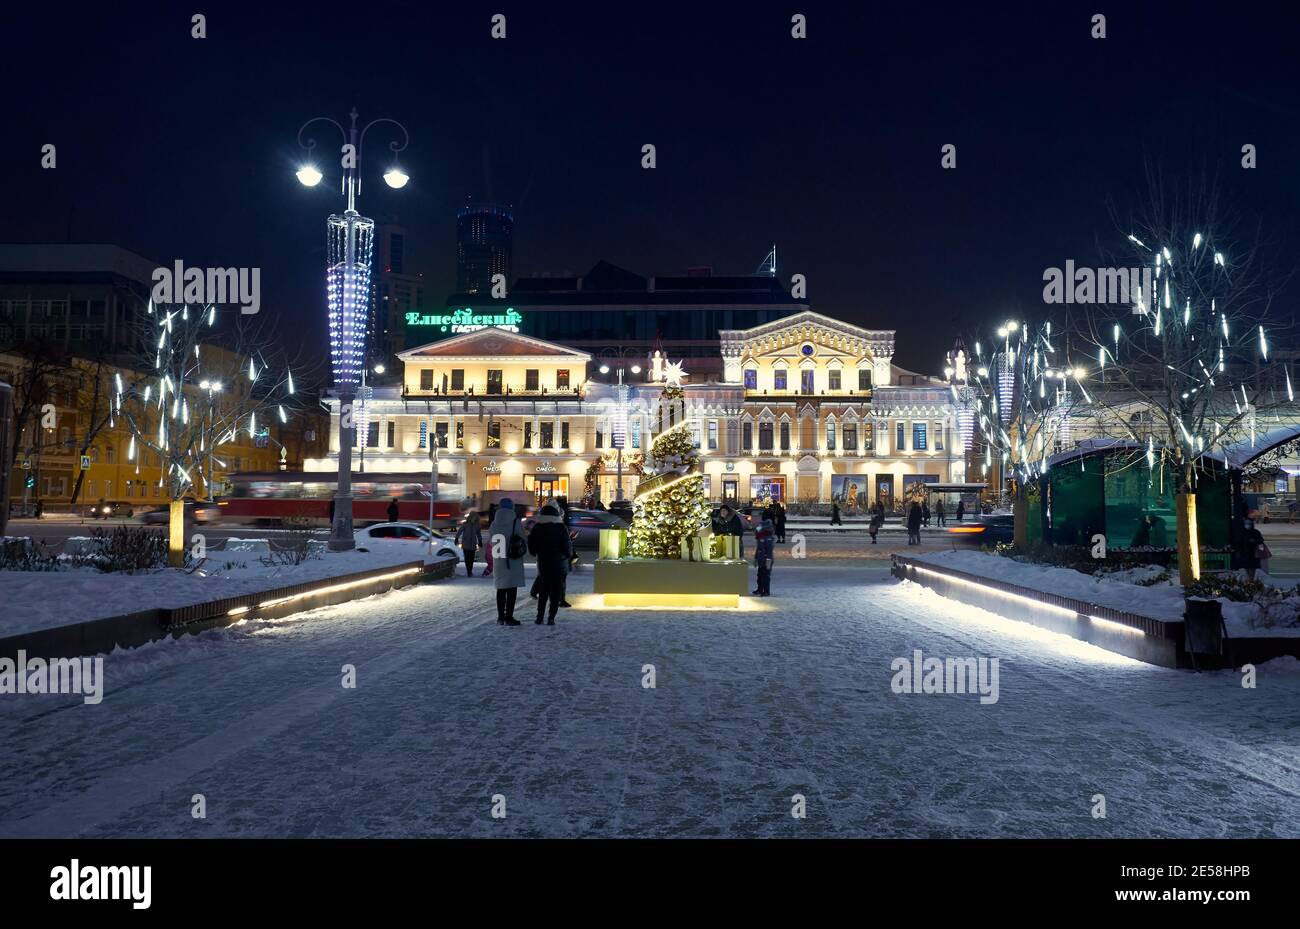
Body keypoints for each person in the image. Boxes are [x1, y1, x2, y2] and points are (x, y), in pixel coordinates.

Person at [528, 503, 572, 625]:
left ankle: (539, 616)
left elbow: (532, 549)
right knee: (556, 592)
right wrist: (566, 556)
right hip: (559, 564)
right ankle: (551, 617)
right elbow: (567, 548)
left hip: (543, 564)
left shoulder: (537, 527)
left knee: (544, 591)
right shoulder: (561, 527)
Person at [488, 499, 525, 625]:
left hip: (499, 559)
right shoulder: (515, 522)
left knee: (501, 588)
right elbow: (522, 539)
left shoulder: (493, 524)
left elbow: (491, 540)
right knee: (511, 589)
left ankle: (500, 617)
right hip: (512, 560)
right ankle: (509, 617)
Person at [455, 509, 482, 577]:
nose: (475, 518)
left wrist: (480, 541)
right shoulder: (465, 524)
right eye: (474, 516)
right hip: (466, 543)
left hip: (473, 544)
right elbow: (459, 531)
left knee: (471, 558)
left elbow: (478, 533)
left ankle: (470, 571)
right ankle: (469, 571)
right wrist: (456, 538)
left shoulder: (477, 525)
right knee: (467, 558)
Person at [753, 518, 775, 596]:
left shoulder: (768, 538)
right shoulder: (760, 538)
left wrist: (768, 560)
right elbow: (758, 549)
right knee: (760, 575)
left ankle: (766, 591)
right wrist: (756, 558)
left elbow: (769, 550)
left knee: (766, 576)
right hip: (761, 560)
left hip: (766, 560)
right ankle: (760, 589)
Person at [483, 503, 497, 577]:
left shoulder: (493, 524)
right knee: (492, 565)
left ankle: (485, 574)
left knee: (491, 565)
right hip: (493, 547)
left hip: (491, 546)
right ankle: (485, 574)